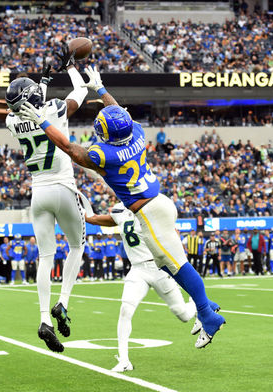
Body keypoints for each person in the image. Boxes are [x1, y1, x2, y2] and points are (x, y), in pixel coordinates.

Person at [20, 65, 225, 348]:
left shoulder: (105, 154)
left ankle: (206, 313)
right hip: (157, 204)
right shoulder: (138, 132)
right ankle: (206, 305)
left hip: (150, 212)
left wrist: (43, 123)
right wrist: (101, 89)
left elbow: (69, 148)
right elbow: (121, 115)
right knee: (168, 265)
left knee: (176, 266)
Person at [5, 56, 89, 353]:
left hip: (38, 192)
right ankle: (63, 301)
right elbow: (81, 92)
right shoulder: (53, 109)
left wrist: (40, 83)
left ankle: (44, 319)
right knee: (77, 246)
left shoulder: (11, 121)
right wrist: (71, 69)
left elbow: (27, 108)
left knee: (45, 256)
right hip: (63, 186)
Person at [86, 203, 197, 372]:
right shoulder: (120, 211)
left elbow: (171, 234)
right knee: (125, 310)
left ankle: (196, 305)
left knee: (183, 315)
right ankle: (124, 360)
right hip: (137, 269)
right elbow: (96, 219)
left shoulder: (151, 208)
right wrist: (82, 213)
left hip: (159, 267)